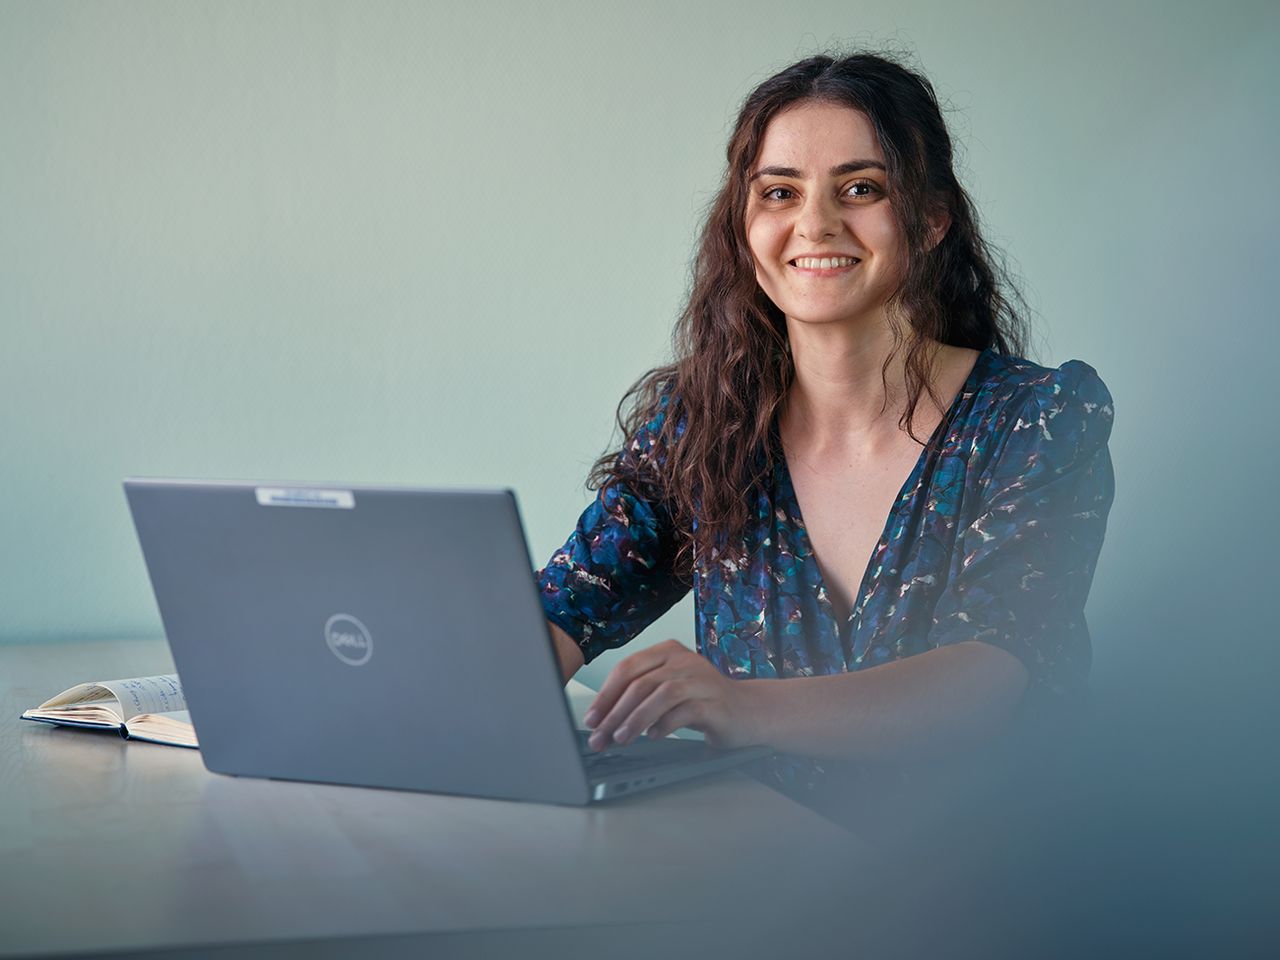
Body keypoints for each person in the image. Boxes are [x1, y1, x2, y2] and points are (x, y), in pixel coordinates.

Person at [534, 52, 1115, 813]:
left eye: (861, 188)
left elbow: (988, 679)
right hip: (776, 889)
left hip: (999, 894)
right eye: (780, 191)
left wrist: (738, 707)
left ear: (933, 219)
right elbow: (559, 614)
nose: (815, 223)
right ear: (744, 224)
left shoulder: (1038, 419)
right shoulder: (697, 426)